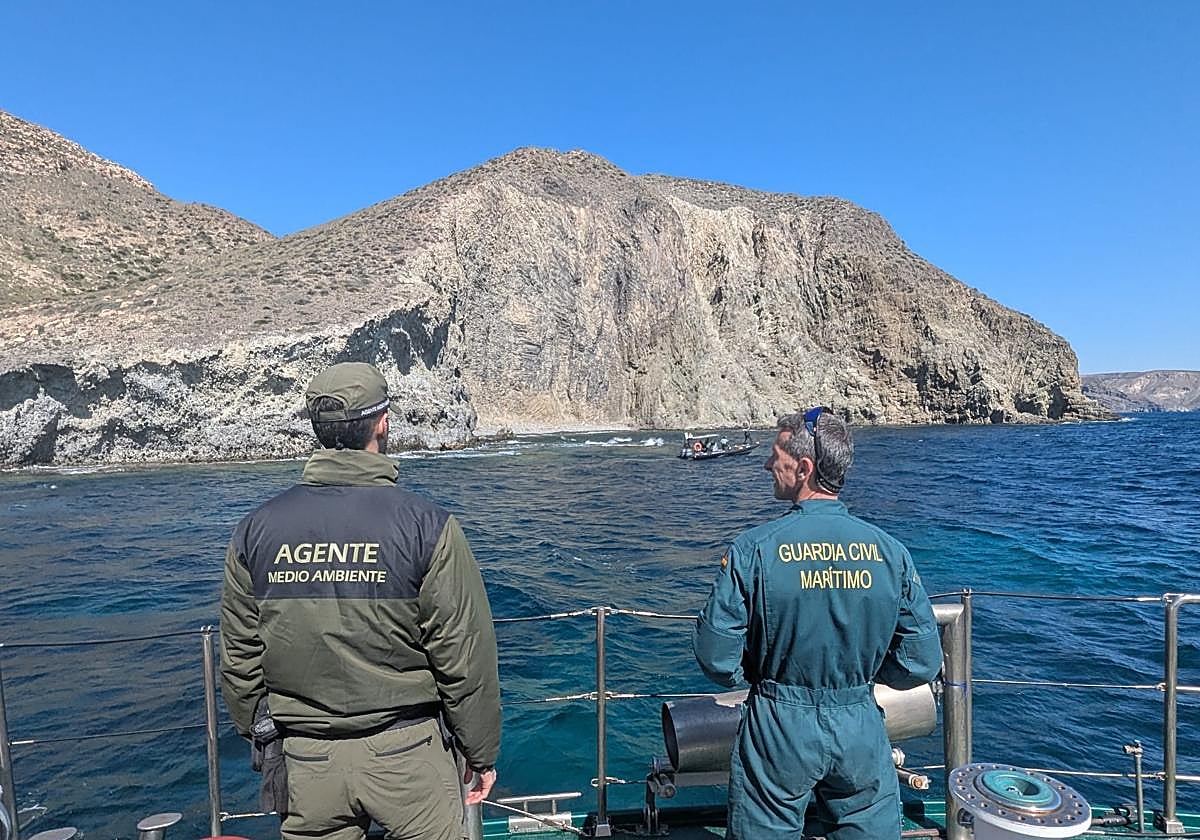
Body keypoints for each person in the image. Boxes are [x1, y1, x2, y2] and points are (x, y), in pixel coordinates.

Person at [220, 362, 500, 840]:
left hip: (307, 761)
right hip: (407, 757)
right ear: (383, 423)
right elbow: (463, 655)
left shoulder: (255, 530)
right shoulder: (427, 526)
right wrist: (481, 753)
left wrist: (262, 734)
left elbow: (239, 659)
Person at [693, 407, 942, 840]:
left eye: (776, 457)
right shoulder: (891, 552)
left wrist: (761, 676)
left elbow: (716, 659)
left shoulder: (754, 549)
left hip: (780, 725)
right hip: (860, 721)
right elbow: (921, 661)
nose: (768, 464)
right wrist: (861, 678)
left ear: (804, 468)